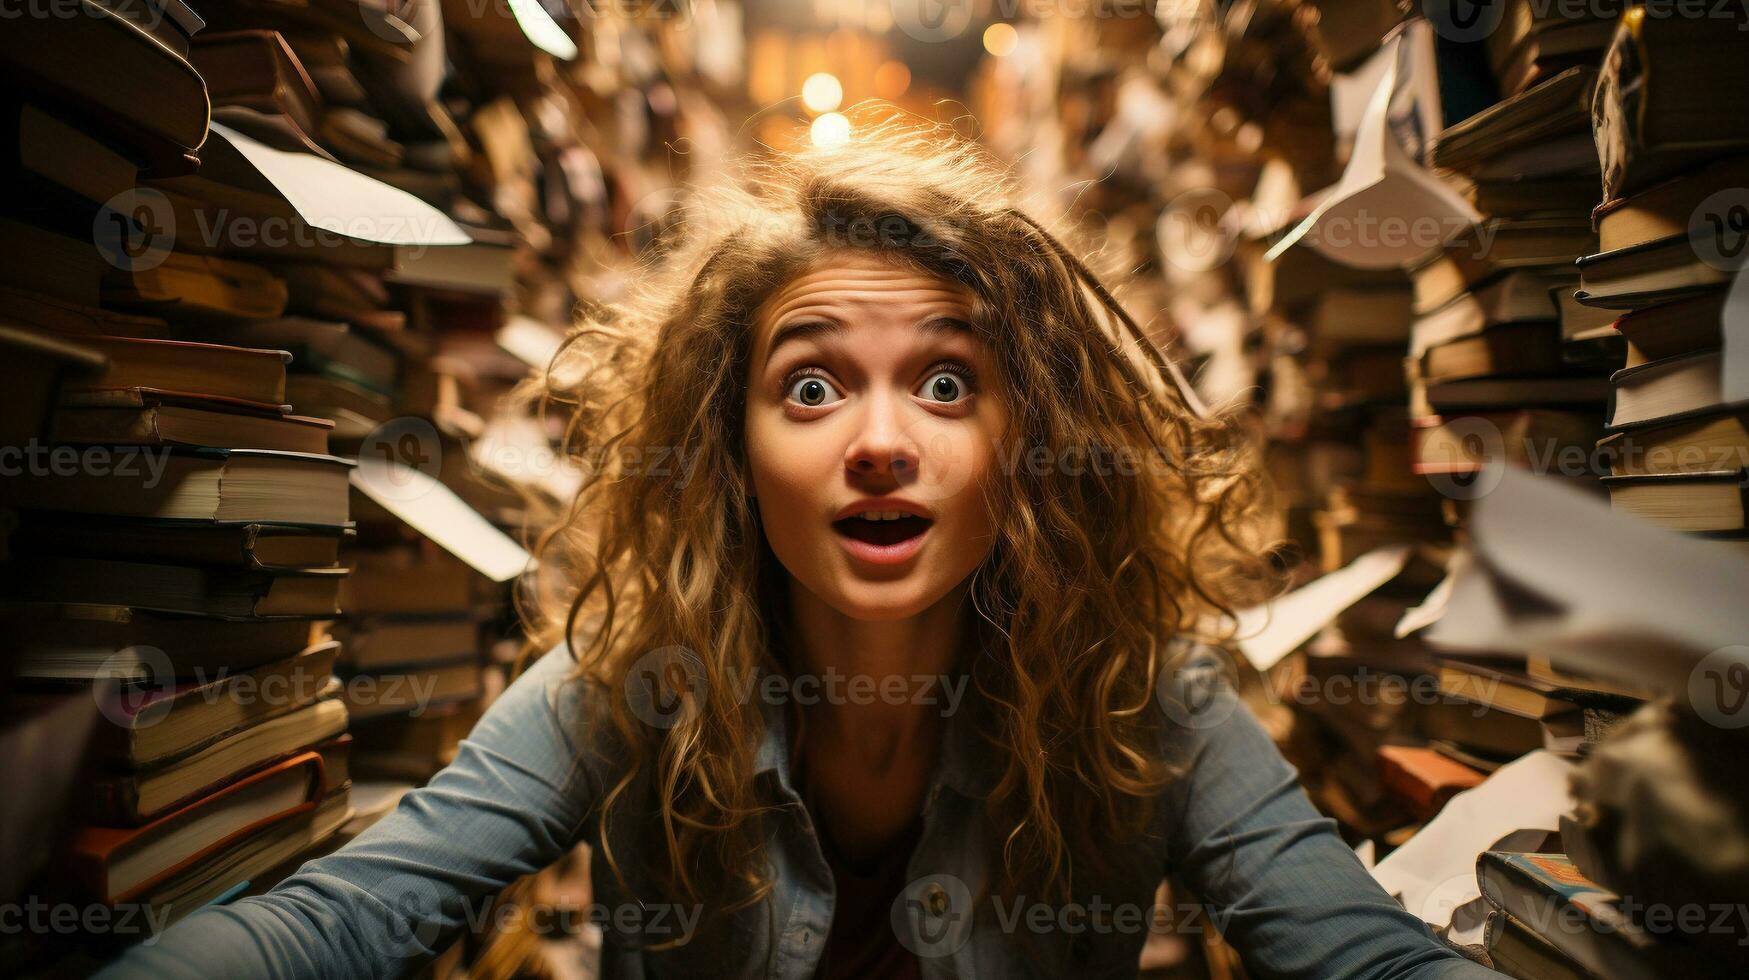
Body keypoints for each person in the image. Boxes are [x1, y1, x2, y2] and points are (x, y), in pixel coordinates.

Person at [95, 113, 1501, 979]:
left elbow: (1356, 955)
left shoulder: (1149, 697)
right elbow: (347, 917)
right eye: (812, 385)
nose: (879, 442)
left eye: (946, 382)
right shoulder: (629, 687)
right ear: (730, 442)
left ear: (1028, 439)